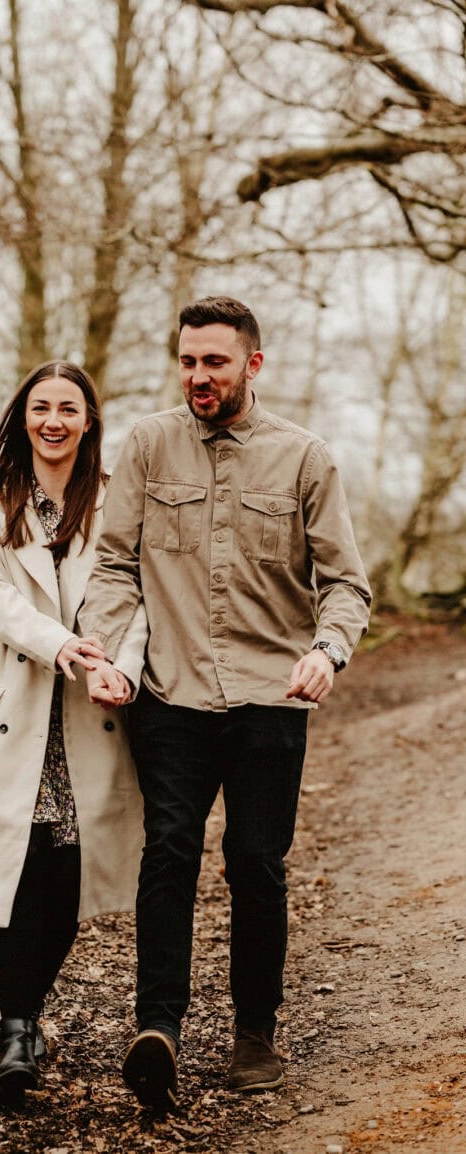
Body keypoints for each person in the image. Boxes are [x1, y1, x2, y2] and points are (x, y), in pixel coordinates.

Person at [78, 296, 372, 1110]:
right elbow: (112, 566)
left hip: (271, 697)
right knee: (168, 852)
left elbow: (347, 584)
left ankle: (254, 1037)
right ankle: (158, 1030)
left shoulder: (305, 458)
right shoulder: (147, 444)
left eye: (214, 360)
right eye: (187, 361)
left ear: (253, 363)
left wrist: (326, 651)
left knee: (255, 865)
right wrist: (103, 653)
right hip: (170, 693)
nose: (198, 376)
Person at [0, 360, 147, 1104]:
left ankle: (27, 1011)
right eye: (41, 407)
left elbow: (138, 596)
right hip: (16, 708)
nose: (53, 420)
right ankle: (18, 1028)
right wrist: (60, 645)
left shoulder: (117, 500)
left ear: (89, 420)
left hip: (91, 713)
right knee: (13, 867)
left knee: (67, 868)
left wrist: (120, 666)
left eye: (68, 407)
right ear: (23, 416)